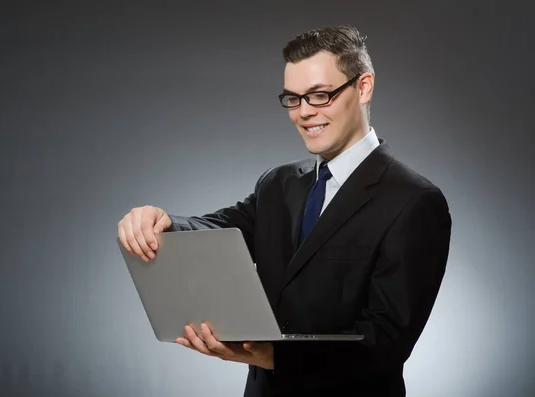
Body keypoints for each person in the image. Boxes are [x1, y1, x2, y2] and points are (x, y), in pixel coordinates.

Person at [117, 25, 452, 397]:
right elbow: (222, 229)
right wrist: (161, 222)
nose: (304, 113)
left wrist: (277, 357)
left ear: (363, 87)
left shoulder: (415, 201)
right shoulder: (277, 183)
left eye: (319, 95)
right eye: (293, 99)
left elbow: (387, 342)